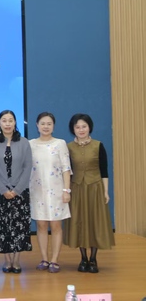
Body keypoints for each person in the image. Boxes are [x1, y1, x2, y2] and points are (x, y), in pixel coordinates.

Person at [63, 113, 114, 273]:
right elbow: (67, 171)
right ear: (73, 129)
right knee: (79, 221)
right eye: (77, 127)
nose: (81, 130)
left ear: (89, 127)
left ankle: (93, 259)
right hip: (76, 188)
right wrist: (66, 190)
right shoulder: (68, 147)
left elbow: (104, 170)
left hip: (95, 188)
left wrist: (106, 191)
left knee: (94, 222)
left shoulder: (98, 146)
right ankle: (83, 258)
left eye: (84, 126)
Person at [0, 110, 33, 274]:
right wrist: (3, 189)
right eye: (4, 120)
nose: (7, 123)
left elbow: (28, 167)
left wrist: (17, 189)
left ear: (15, 123)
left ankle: (17, 260)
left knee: (19, 227)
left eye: (10, 120)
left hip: (20, 192)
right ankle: (7, 260)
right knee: (3, 226)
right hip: (0, 193)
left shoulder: (24, 142)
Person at [29, 112, 71, 273]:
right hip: (37, 191)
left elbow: (66, 168)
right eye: (42, 123)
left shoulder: (60, 143)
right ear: (37, 125)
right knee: (41, 224)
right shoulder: (30, 144)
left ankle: (54, 260)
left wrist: (66, 190)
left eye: (49, 124)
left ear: (53, 126)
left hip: (56, 191)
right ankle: (44, 258)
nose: (45, 126)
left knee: (55, 225)